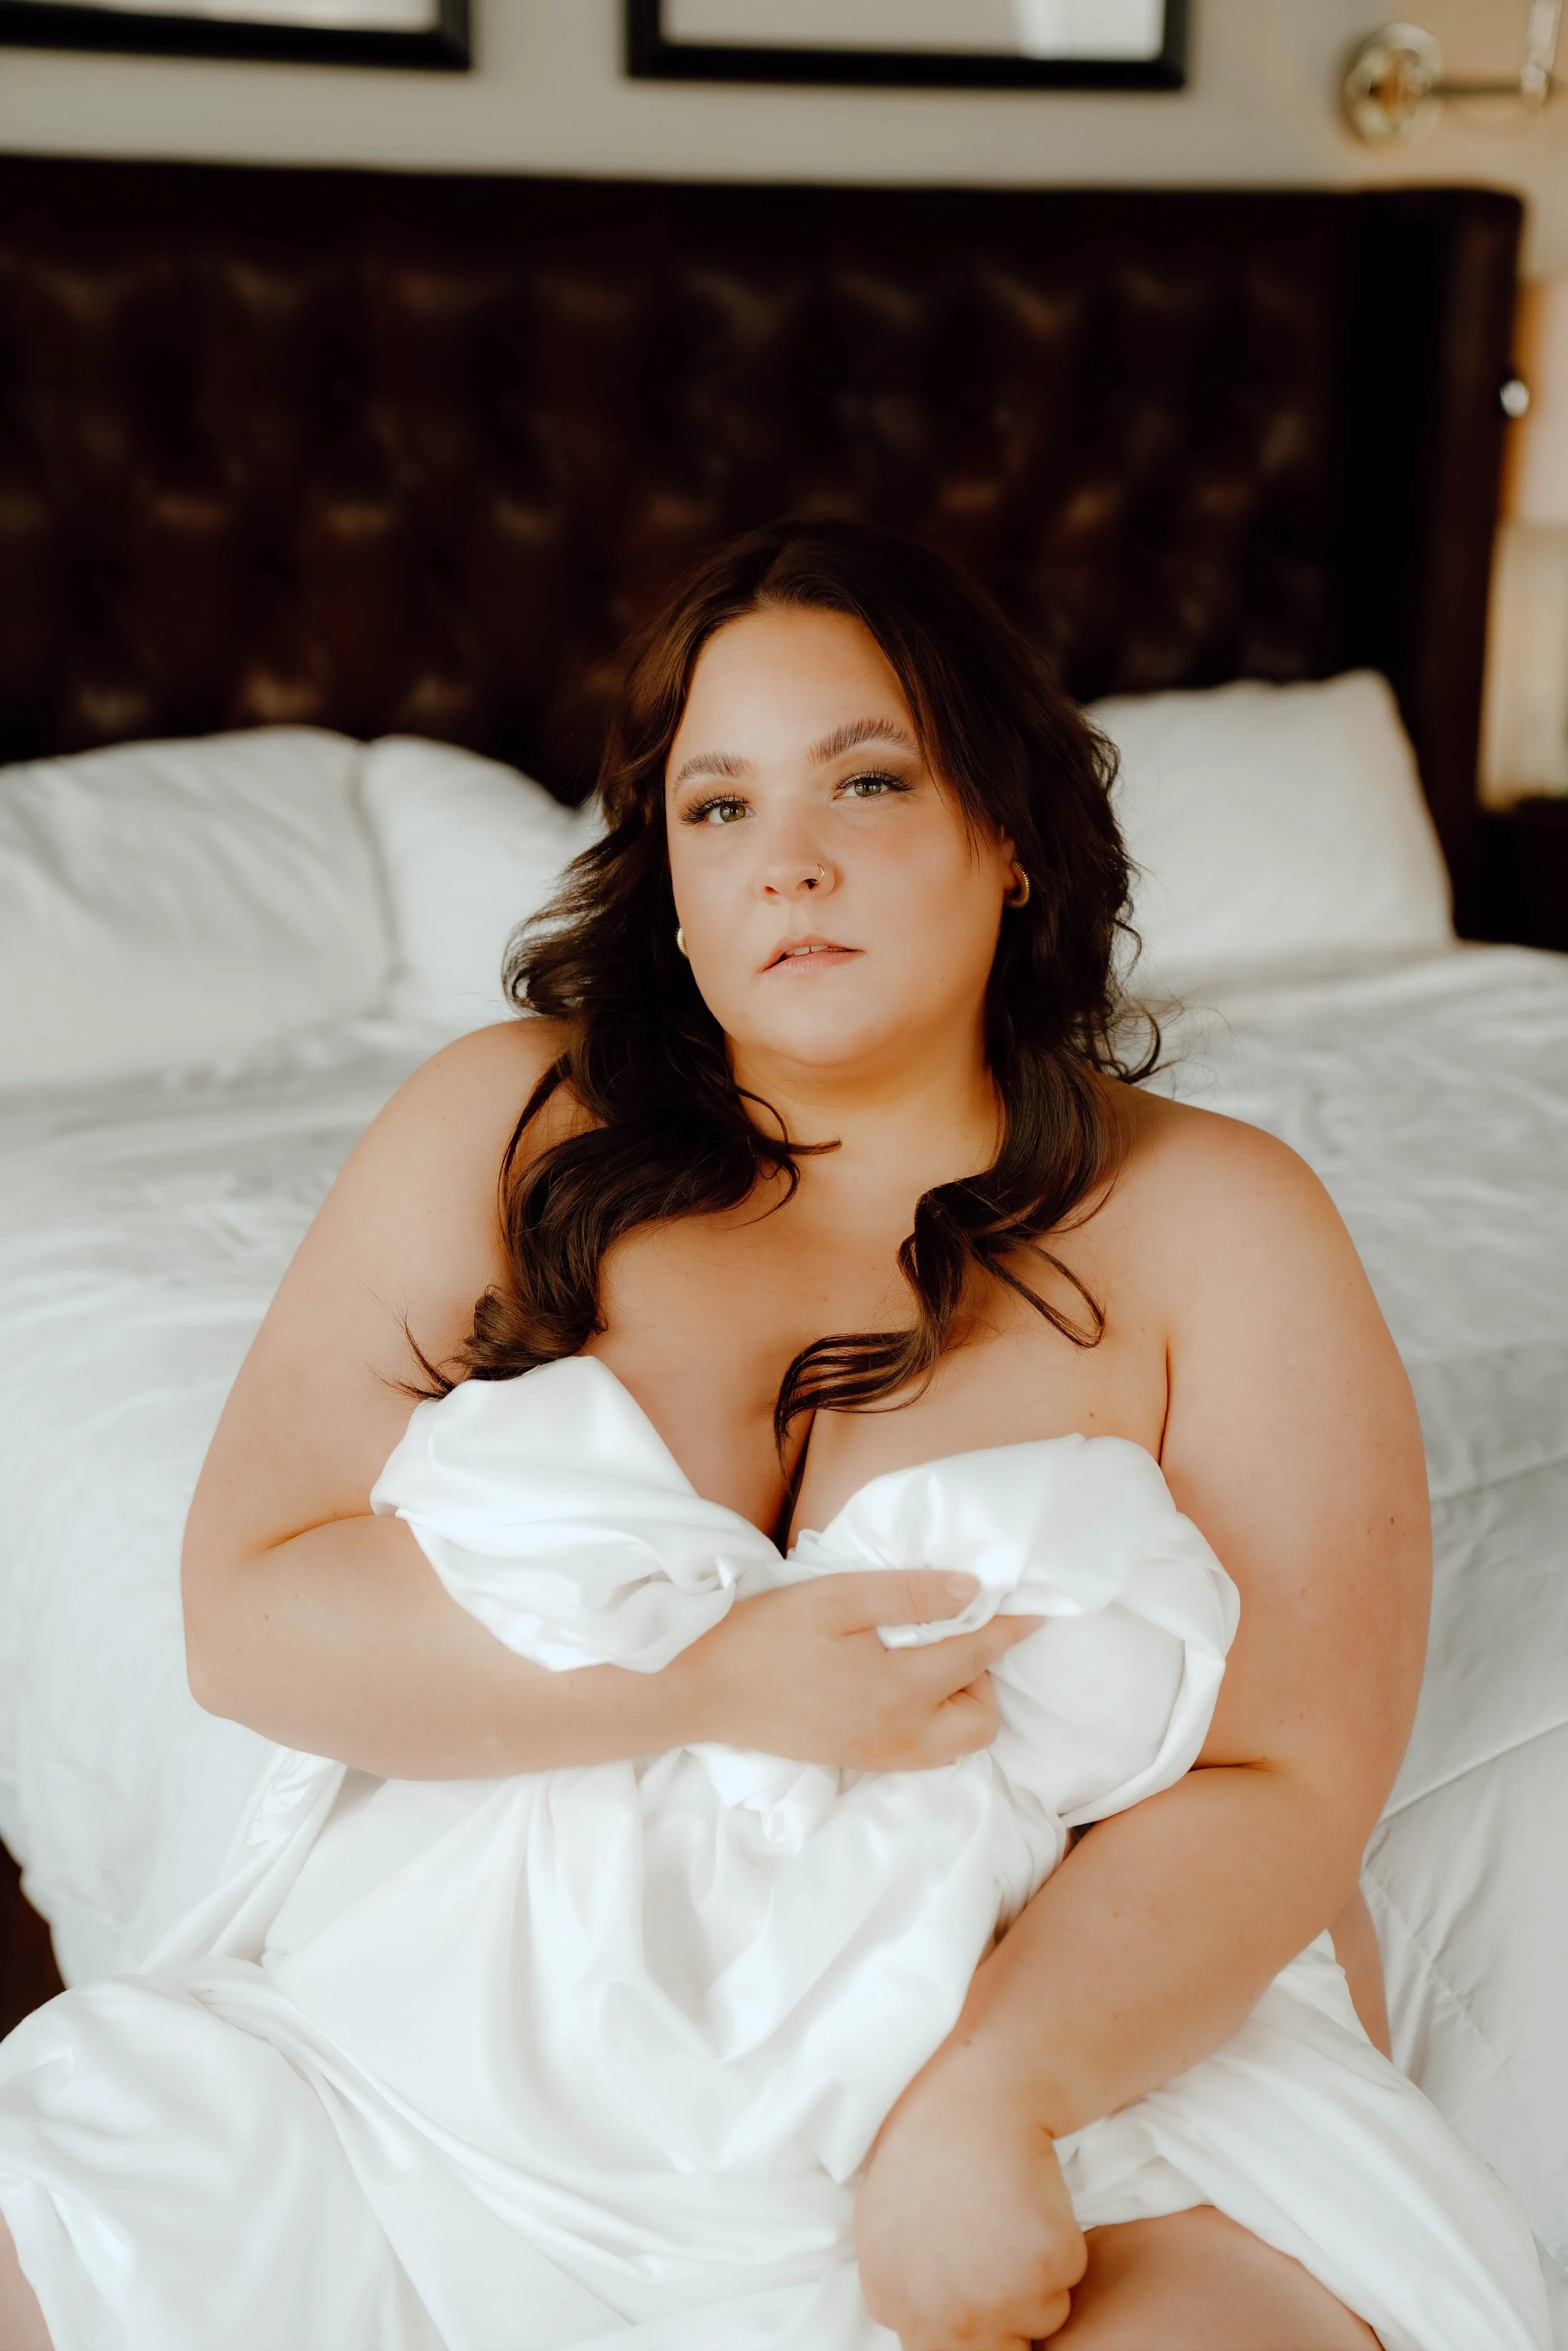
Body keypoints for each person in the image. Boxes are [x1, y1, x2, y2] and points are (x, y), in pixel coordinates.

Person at [0, 519, 1550, 2351]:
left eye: (867, 780)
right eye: (716, 806)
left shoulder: (1219, 1217)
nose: (784, 860)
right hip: (430, 2068)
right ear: (667, 883)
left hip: (1080, 2076)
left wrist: (994, 2099)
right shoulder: (509, 1125)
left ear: (1012, 837)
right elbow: (248, 1615)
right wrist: (706, 1683)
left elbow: (1288, 1774)